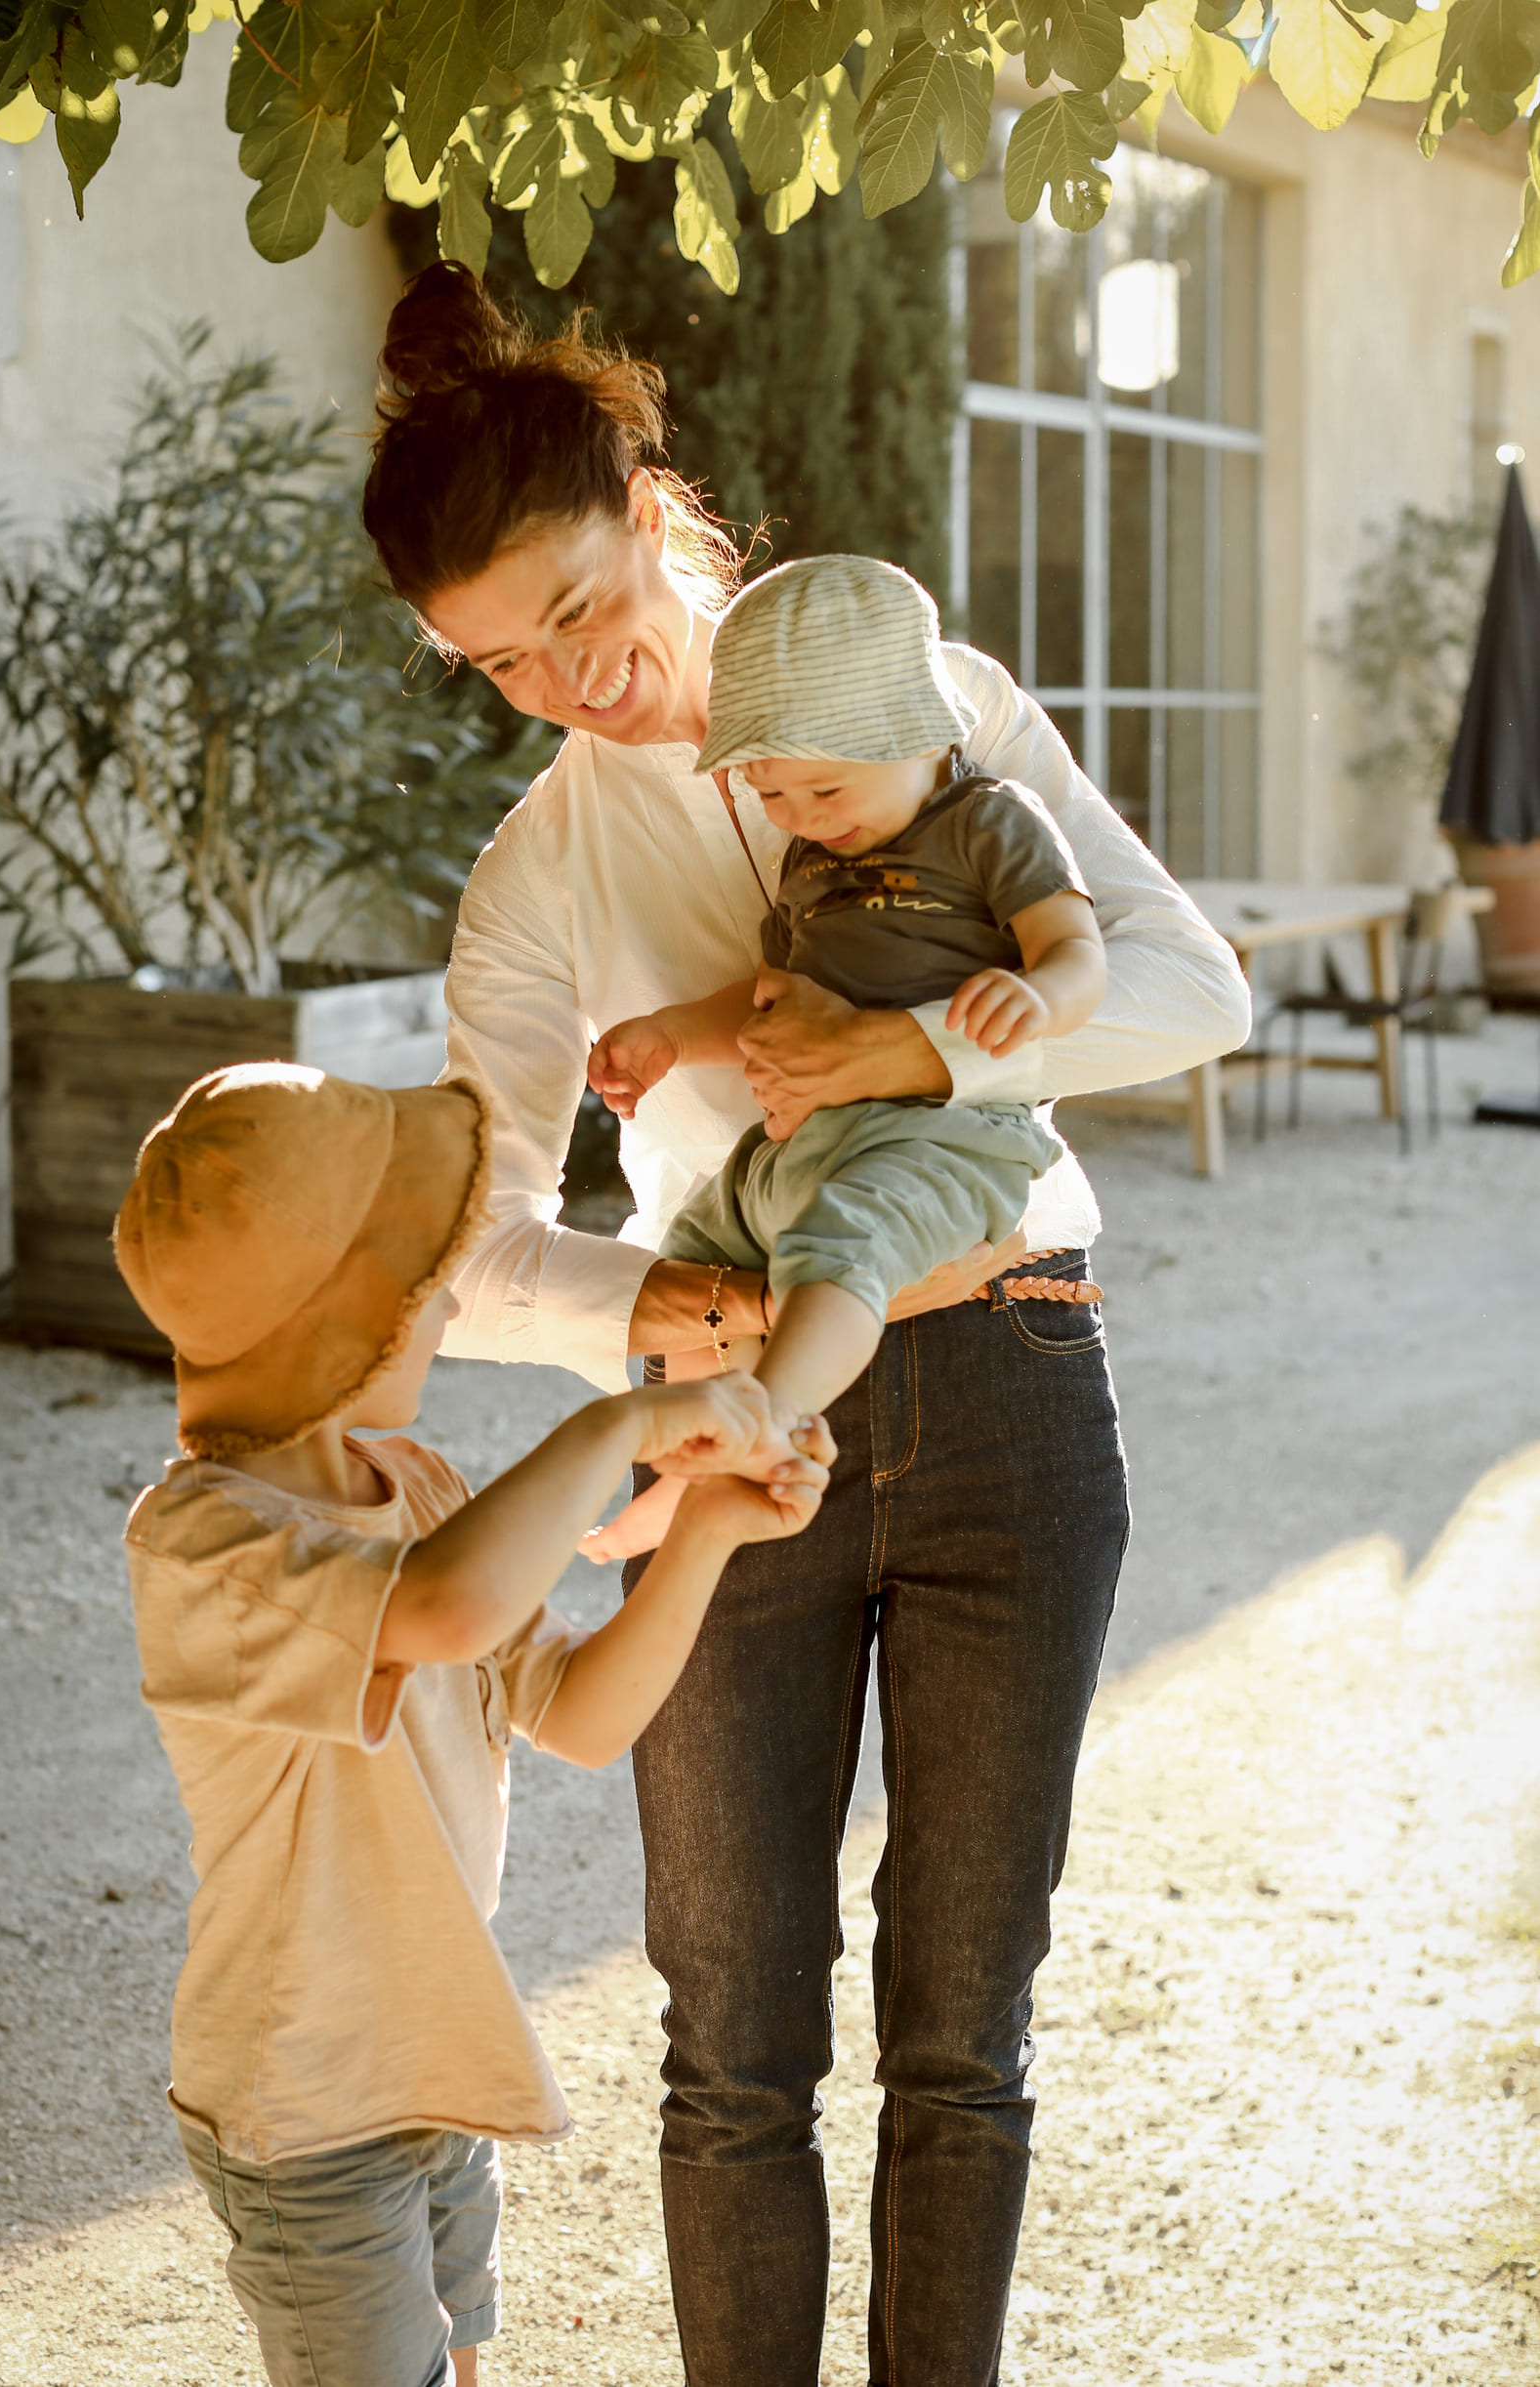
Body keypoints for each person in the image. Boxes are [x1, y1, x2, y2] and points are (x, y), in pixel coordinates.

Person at [360, 261, 1251, 2386]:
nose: (567, 681)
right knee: (731, 2038)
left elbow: (1188, 987)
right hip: (724, 1434)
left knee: (965, 2032)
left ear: (647, 504)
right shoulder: (537, 877)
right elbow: (475, 1252)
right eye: (499, 664)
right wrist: (679, 1301)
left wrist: (914, 1051)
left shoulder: (924, 696)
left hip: (1013, 1378)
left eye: (577, 609)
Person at [112, 1060, 832, 2387]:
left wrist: (707, 1529)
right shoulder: (204, 1545)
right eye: (426, 1284)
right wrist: (622, 1422)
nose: (449, 1308)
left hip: (435, 2063)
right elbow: (442, 1610)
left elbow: (578, 1714)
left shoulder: (419, 1486)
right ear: (346, 1315)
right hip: (306, 2102)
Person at [582, 551, 1107, 1563]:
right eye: (773, 793)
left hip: (939, 1139)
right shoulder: (812, 858)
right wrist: (672, 1033)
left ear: (914, 731)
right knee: (690, 1264)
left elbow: (1079, 954)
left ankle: (762, 1426)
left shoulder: (988, 821)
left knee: (844, 1244)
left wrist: (1039, 994)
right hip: (799, 1145)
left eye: (823, 786)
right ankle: (685, 1466)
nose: (801, 818)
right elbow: (767, 997)